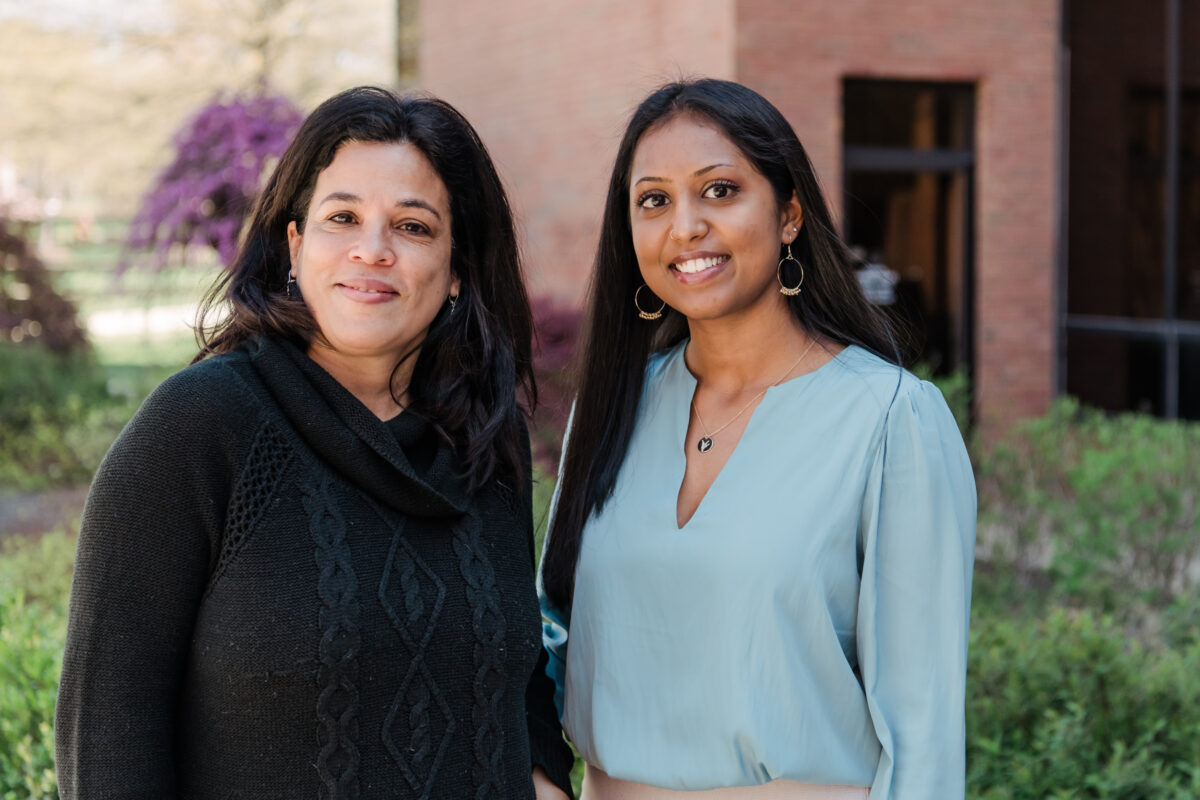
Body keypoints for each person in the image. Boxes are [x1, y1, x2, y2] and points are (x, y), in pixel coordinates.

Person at [56, 86, 574, 800]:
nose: (372, 250)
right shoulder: (202, 429)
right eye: (342, 217)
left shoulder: (488, 440)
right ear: (295, 246)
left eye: (414, 227)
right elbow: (108, 733)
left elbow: (519, 683)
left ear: (457, 268)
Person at [539, 79, 976, 799]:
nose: (685, 226)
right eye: (654, 200)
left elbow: (921, 732)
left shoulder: (892, 419)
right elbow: (549, 631)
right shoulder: (609, 408)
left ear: (789, 214)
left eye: (719, 191)